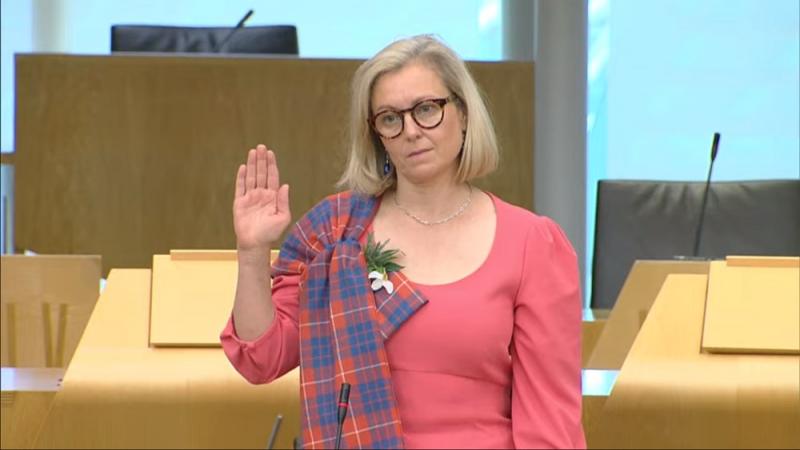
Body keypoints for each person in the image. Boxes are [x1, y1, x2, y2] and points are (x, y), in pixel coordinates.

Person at [220, 34, 586, 449]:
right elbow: (261, 359)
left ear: (463, 115)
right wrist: (251, 253)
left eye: (427, 109)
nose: (411, 130)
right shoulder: (336, 233)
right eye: (390, 118)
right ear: (377, 135)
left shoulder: (533, 243)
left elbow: (550, 421)